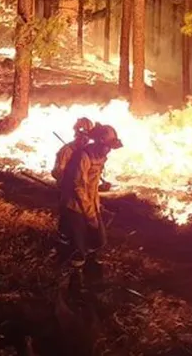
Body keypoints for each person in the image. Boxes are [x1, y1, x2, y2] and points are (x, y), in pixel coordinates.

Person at [58, 124, 118, 292]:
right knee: (79, 245)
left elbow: (91, 182)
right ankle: (74, 284)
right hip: (76, 206)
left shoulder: (100, 155)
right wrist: (90, 214)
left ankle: (90, 274)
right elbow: (78, 187)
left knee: (98, 239)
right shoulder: (83, 156)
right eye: (107, 146)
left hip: (90, 202)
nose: (109, 150)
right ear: (99, 142)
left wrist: (100, 188)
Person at [52, 117, 94, 247]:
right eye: (82, 135)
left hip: (84, 194)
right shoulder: (66, 151)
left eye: (87, 136)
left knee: (82, 224)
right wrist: (68, 181)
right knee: (67, 223)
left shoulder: (88, 152)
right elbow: (56, 172)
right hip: (69, 194)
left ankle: (78, 248)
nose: (84, 139)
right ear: (76, 133)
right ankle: (62, 250)